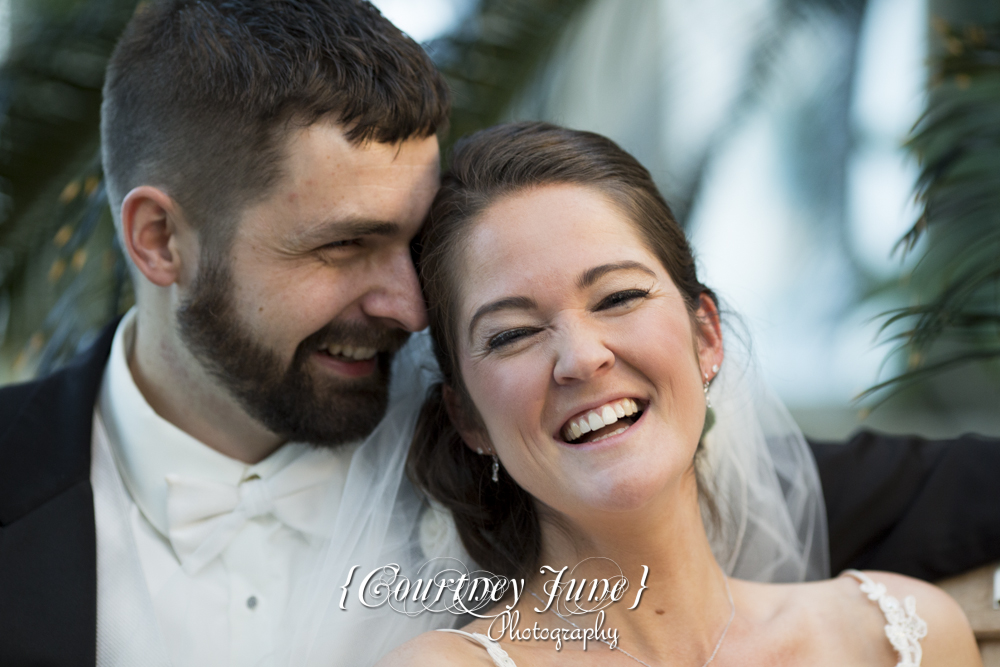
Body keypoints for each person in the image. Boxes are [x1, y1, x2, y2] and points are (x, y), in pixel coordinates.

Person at [0, 2, 998, 667]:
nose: (404, 301)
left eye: (413, 240)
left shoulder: (525, 442)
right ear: (160, 238)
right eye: (344, 246)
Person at [377, 122, 983, 666]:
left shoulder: (902, 634)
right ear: (469, 419)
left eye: (618, 297)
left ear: (706, 337)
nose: (583, 358)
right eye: (512, 334)